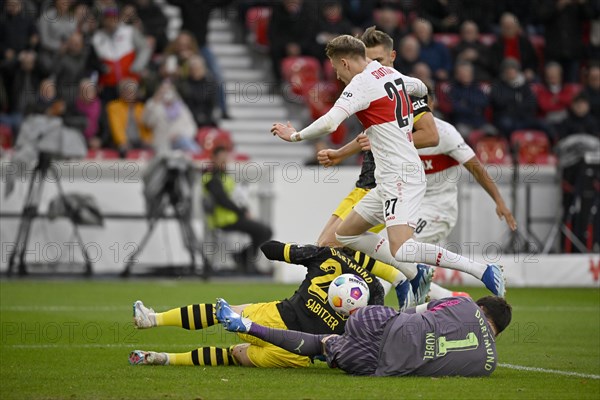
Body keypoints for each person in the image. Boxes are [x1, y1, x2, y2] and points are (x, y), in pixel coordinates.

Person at [270, 34, 506, 298]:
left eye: (336, 69)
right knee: (346, 234)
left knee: (403, 249)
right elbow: (419, 86)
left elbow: (329, 123)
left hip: (400, 177)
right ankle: (414, 274)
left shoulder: (362, 83)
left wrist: (294, 135)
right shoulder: (387, 73)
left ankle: (481, 270)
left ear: (345, 63)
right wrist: (402, 124)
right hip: (389, 177)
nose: (337, 76)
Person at [321, 90, 516, 301]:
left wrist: (499, 201)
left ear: (431, 105)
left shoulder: (445, 134)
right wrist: (339, 154)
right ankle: (454, 299)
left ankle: (376, 307)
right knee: (356, 240)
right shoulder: (395, 125)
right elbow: (366, 138)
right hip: (404, 197)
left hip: (437, 208)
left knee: (403, 253)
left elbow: (476, 168)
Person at [316, 27, 439, 304]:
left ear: (392, 57)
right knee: (334, 243)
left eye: (379, 61)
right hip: (369, 179)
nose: (372, 67)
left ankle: (408, 285)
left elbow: (431, 135)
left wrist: (396, 139)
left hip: (390, 180)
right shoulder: (369, 83)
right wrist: (341, 153)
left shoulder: (403, 90)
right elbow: (369, 136)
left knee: (331, 243)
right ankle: (404, 284)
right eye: (368, 60)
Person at [128, 239, 394, 368]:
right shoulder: (377, 291)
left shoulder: (328, 253)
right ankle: (165, 359)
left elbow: (269, 248)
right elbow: (366, 337)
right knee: (234, 356)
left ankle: (153, 319)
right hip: (295, 356)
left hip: (274, 318)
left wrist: (304, 251)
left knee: (221, 313)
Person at [217, 294, 512, 377]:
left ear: (481, 307)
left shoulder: (464, 303)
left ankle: (246, 322)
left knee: (340, 325)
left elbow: (416, 310)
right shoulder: (488, 365)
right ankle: (248, 327)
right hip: (374, 364)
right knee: (321, 343)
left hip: (381, 323)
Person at [202, 146, 273, 274]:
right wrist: (242, 212)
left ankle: (243, 258)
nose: (224, 161)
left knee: (264, 231)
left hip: (233, 217)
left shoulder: (225, 176)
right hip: (224, 220)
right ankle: (245, 259)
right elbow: (222, 200)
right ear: (213, 159)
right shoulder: (211, 178)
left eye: (225, 158)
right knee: (263, 231)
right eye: (221, 158)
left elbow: (235, 197)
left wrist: (243, 209)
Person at [90, 7, 151, 102]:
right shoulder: (97, 37)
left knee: (133, 110)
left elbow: (145, 48)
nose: (111, 21)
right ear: (103, 20)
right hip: (109, 84)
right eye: (108, 18)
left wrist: (138, 66)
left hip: (130, 80)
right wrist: (101, 68)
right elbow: (92, 60)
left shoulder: (129, 31)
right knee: (111, 111)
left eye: (113, 18)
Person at [142, 80, 200, 155]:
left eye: (168, 90)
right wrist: (154, 102)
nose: (166, 93)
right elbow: (147, 122)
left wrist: (180, 135)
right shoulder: (155, 106)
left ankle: (199, 157)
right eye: (163, 91)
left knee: (185, 142)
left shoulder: (181, 107)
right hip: (163, 143)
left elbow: (192, 127)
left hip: (181, 141)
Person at [106, 78, 152, 154]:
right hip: (122, 142)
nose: (130, 94)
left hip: (139, 140)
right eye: (127, 92)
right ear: (121, 93)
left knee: (152, 148)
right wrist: (123, 142)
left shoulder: (141, 108)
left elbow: (147, 128)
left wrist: (148, 139)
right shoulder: (113, 107)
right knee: (124, 150)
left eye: (132, 92)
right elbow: (116, 127)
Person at [489, 13, 538, 81]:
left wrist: (530, 70)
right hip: (503, 76)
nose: (508, 29)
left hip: (523, 74)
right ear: (501, 28)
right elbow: (493, 65)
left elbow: (533, 60)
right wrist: (506, 73)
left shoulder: (525, 43)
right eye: (506, 27)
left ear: (517, 27)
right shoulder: (496, 45)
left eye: (511, 26)